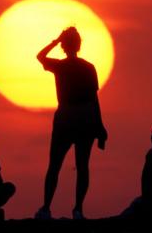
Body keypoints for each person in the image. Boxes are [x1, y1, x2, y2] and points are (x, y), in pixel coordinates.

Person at [35, 27, 108, 220]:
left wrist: (55, 41)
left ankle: (46, 208)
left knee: (55, 165)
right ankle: (78, 209)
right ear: (79, 44)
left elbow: (40, 56)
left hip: (66, 116)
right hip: (86, 117)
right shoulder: (88, 67)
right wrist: (100, 126)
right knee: (82, 165)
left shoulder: (60, 66)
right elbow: (94, 99)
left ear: (64, 45)